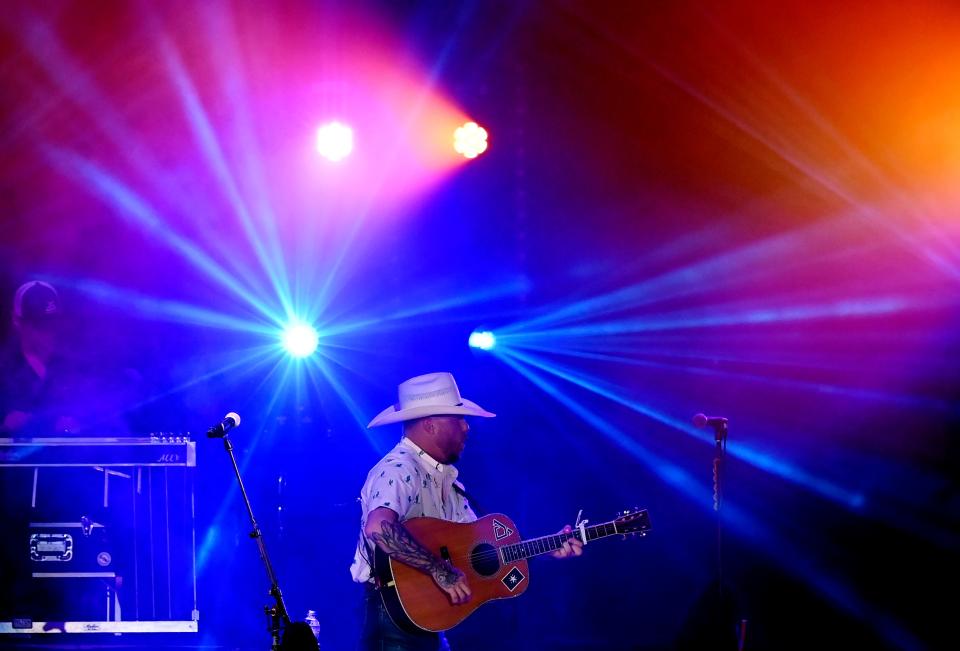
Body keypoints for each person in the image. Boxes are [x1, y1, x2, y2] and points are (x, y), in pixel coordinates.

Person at [351, 372, 583, 651]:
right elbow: (378, 528)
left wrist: (547, 547)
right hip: (394, 622)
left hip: (430, 622)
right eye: (458, 419)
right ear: (430, 425)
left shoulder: (449, 482)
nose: (466, 428)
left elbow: (478, 554)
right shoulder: (399, 469)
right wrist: (439, 570)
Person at [0, 280, 80, 435]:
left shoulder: (72, 367)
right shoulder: (4, 369)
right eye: (37, 324)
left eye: (51, 323)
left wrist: (78, 424)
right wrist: (5, 428)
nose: (47, 332)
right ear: (16, 320)